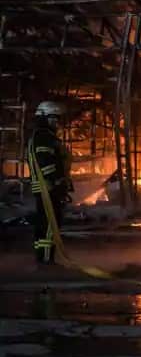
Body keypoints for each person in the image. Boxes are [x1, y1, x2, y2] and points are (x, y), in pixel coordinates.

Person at [27, 101, 72, 265]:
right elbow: (45, 162)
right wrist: (57, 181)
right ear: (45, 117)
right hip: (49, 188)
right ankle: (46, 261)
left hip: (46, 187)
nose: (56, 122)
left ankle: (42, 258)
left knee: (43, 224)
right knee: (49, 226)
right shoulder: (44, 137)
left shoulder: (41, 135)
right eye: (54, 118)